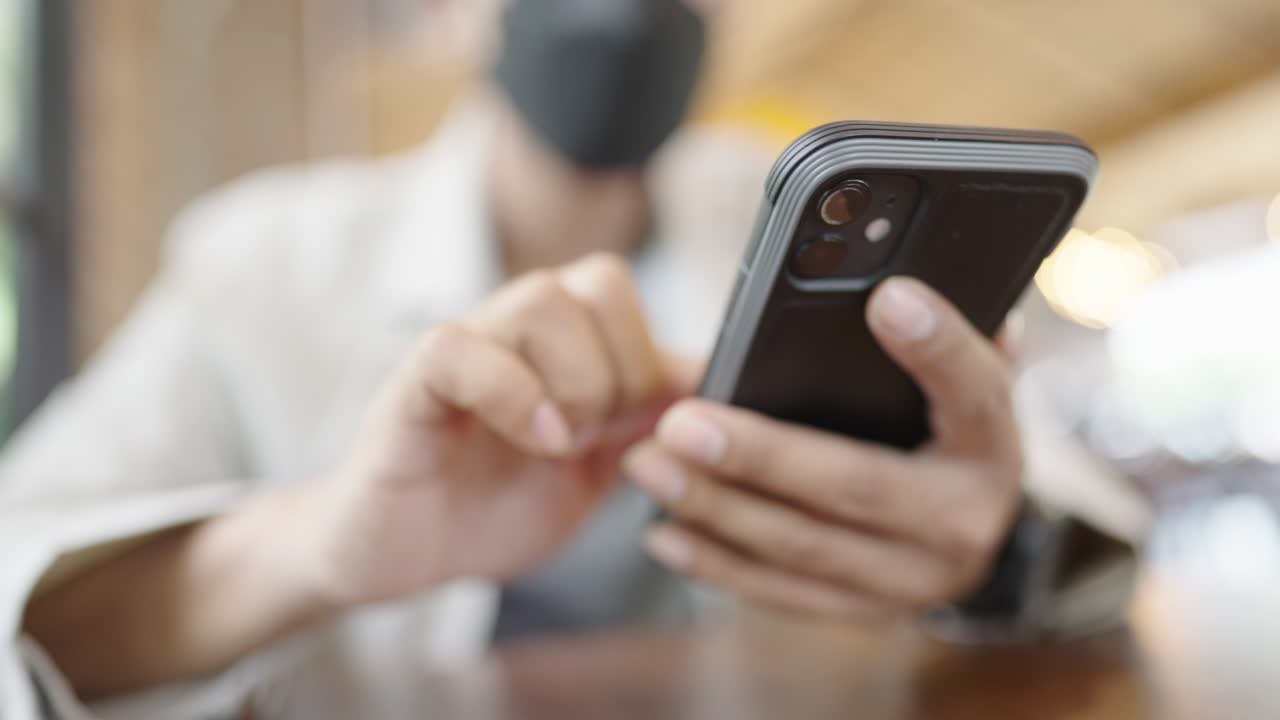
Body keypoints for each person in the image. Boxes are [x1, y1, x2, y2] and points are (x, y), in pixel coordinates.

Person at [0, 2, 1132, 718]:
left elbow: (1088, 527)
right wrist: (318, 542)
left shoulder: (791, 198)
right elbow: (24, 594)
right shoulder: (262, 257)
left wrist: (987, 553)